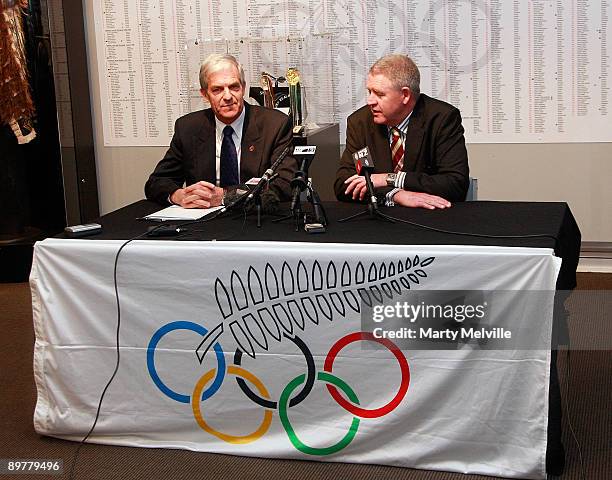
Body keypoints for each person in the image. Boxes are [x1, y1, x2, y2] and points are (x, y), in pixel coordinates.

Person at [145, 54, 296, 208]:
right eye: (217, 90)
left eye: (234, 87)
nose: (228, 96)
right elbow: (156, 183)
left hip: (254, 218)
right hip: (202, 222)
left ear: (243, 88)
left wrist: (225, 196)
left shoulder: (275, 125)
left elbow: (285, 183)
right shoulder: (188, 128)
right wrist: (178, 195)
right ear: (205, 94)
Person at [334, 54, 469, 209]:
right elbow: (344, 185)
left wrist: (391, 179)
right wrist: (395, 195)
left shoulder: (441, 119)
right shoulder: (360, 122)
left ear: (405, 95)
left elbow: (455, 184)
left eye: (379, 94)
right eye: (369, 91)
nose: (370, 101)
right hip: (379, 219)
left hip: (428, 219)